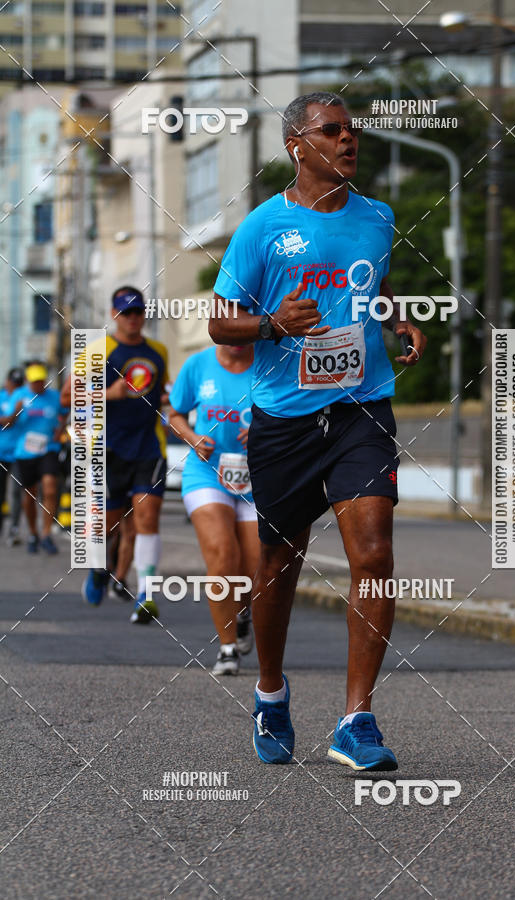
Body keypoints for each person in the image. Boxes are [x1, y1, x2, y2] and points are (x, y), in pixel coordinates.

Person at [208, 91, 427, 770]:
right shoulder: (261, 230)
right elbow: (220, 322)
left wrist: (393, 320)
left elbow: (370, 282)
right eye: (331, 132)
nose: (347, 140)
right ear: (297, 147)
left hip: (361, 407)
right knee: (277, 566)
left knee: (374, 551)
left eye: (351, 130)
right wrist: (274, 324)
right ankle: (271, 692)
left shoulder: (378, 218)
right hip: (285, 419)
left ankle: (356, 721)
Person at [60, 286, 170, 623]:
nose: (133, 319)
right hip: (107, 450)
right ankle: (98, 568)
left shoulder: (159, 351)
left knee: (146, 519)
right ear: (114, 315)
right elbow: (67, 397)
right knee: (109, 526)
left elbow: (161, 393)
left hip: (149, 448)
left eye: (138, 312)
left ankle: (146, 595)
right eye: (126, 313)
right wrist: (111, 392)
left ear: (144, 315)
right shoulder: (98, 350)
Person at [169, 343, 258, 675]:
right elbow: (174, 414)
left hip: (256, 476)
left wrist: (266, 431)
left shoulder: (270, 360)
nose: (234, 335)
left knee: (254, 568)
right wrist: (191, 437)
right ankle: (227, 648)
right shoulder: (198, 365)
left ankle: (243, 612)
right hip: (206, 472)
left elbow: (293, 411)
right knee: (223, 552)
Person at [7, 363, 68, 554]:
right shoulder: (19, 395)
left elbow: (65, 414)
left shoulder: (55, 396)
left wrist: (60, 430)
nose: (39, 385)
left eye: (41, 381)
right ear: (29, 381)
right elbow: (9, 422)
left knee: (50, 488)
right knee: (29, 494)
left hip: (48, 449)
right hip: (25, 452)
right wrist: (16, 412)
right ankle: (33, 532)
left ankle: (46, 533)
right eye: (35, 382)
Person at [0, 367, 25, 545]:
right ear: (7, 382)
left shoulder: (25, 397)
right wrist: (12, 415)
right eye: (13, 383)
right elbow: (8, 422)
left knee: (17, 493)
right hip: (1, 452)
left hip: (19, 453)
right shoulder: (2, 397)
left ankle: (14, 530)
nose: (15, 388)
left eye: (19, 384)